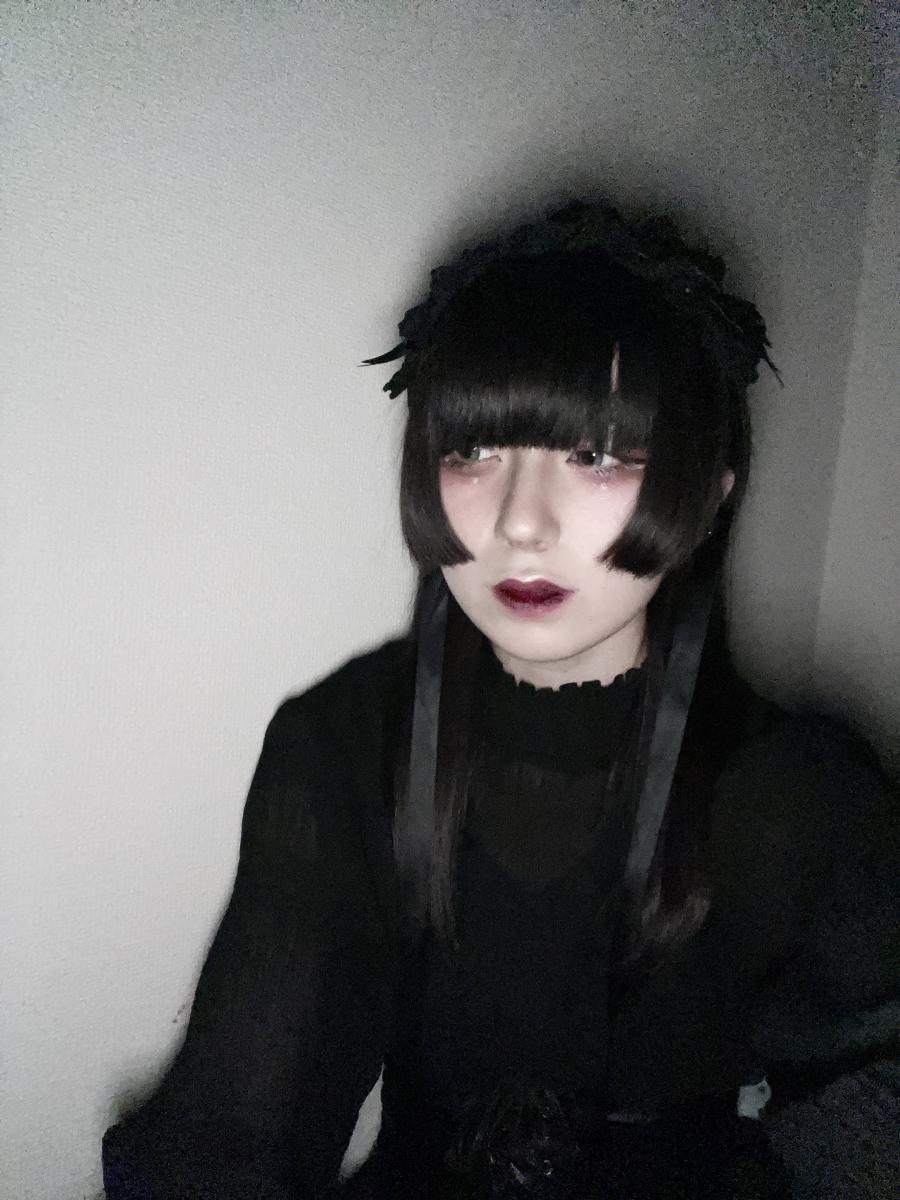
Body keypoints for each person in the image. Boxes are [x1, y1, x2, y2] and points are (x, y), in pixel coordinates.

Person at [102, 202, 898, 1198]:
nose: (521, 522)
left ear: (709, 490)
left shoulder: (801, 793)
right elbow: (234, 1127)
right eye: (473, 451)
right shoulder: (346, 748)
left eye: (597, 455)